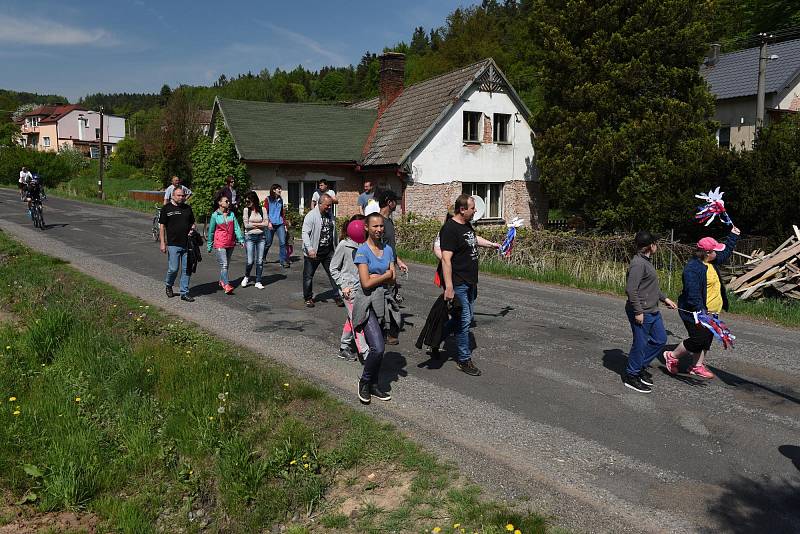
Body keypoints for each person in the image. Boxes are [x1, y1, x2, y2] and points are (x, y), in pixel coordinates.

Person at [664, 227, 741, 379]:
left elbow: (725, 254)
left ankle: (697, 366)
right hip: (696, 312)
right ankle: (672, 355)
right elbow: (692, 294)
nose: (717, 253)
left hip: (713, 311)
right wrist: (701, 312)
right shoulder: (692, 269)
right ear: (707, 252)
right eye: (715, 251)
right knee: (698, 339)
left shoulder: (711, 261)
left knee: (707, 339)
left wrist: (733, 235)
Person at [439, 194, 501, 376]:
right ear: (462, 209)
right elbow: (446, 259)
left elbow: (472, 239)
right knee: (465, 320)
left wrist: (491, 245)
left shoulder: (466, 225)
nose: (476, 211)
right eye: (473, 208)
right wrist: (449, 286)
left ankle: (436, 337)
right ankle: (464, 359)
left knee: (463, 318)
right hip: (458, 283)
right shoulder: (450, 229)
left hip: (470, 281)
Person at [623, 231, 677, 393]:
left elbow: (649, 287)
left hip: (653, 309)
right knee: (640, 344)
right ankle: (631, 375)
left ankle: (639, 366)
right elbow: (631, 290)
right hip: (642, 311)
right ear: (650, 246)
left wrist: (665, 299)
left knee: (660, 339)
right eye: (656, 243)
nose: (657, 246)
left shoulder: (646, 261)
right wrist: (638, 311)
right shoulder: (638, 263)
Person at [353, 212, 396, 404]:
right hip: (367, 302)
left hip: (384, 302)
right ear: (366, 228)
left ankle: (374, 384)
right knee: (377, 347)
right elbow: (365, 283)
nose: (379, 230)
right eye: (375, 226)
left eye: (381, 226)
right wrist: (385, 276)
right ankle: (364, 382)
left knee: (381, 346)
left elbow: (393, 277)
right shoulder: (362, 251)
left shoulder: (388, 249)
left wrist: (384, 276)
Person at [330, 215, 368, 362]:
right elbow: (333, 268)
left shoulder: (364, 244)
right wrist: (343, 285)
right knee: (357, 320)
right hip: (349, 290)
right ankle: (365, 353)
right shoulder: (344, 245)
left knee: (352, 318)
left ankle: (344, 347)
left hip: (361, 288)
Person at [301, 193, 343, 308]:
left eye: (330, 206)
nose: (329, 208)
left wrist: (337, 248)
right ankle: (308, 298)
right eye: (327, 205)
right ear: (319, 204)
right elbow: (305, 233)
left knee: (334, 274)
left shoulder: (330, 215)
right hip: (314, 252)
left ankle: (338, 296)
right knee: (308, 276)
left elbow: (334, 233)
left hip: (328, 251)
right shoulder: (311, 215)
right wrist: (309, 249)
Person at [377, 189, 408, 344]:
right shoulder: (378, 222)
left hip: (390, 266)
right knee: (387, 301)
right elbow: (377, 247)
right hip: (382, 269)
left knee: (390, 299)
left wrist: (398, 261)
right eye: (395, 200)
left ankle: (388, 332)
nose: (396, 203)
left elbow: (389, 246)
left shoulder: (389, 221)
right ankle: (387, 333)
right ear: (389, 202)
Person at [159, 186, 196, 302]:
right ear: (173, 196)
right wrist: (162, 243)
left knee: (187, 269)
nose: (181, 197)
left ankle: (184, 292)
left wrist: (192, 229)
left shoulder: (188, 208)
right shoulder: (166, 208)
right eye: (179, 195)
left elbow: (192, 223)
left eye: (183, 195)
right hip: (173, 244)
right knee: (173, 269)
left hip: (187, 244)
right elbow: (162, 227)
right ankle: (169, 284)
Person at [207, 192, 245, 295]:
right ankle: (226, 285)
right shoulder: (215, 215)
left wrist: (241, 239)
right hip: (220, 243)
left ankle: (221, 280)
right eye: (226, 201)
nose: (228, 203)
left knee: (226, 265)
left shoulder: (231, 214)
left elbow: (236, 228)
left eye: (229, 201)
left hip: (230, 243)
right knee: (224, 264)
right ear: (220, 203)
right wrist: (209, 245)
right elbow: (211, 231)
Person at [241, 191, 267, 289]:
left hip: (261, 237)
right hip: (249, 237)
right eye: (246, 201)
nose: (247, 203)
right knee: (250, 261)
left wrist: (255, 225)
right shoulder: (246, 210)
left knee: (260, 261)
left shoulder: (263, 209)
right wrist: (260, 225)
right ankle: (247, 276)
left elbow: (266, 223)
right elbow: (246, 225)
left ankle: (258, 281)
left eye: (249, 201)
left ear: (254, 200)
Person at [263, 184, 291, 268]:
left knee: (282, 242)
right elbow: (265, 212)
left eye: (280, 189)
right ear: (274, 190)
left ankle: (282, 261)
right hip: (270, 224)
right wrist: (268, 222)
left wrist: (284, 224)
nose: (280, 190)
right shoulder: (268, 199)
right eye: (279, 189)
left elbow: (282, 213)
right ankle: (262, 257)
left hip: (280, 223)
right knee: (268, 243)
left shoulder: (280, 200)